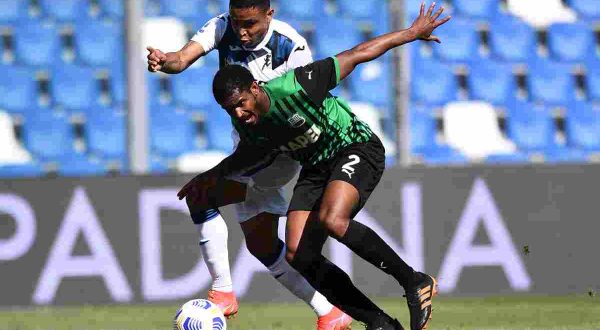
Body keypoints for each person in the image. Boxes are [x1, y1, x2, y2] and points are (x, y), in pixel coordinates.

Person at [177, 2, 451, 330]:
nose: (238, 114)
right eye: (228, 110)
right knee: (298, 254)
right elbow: (243, 158)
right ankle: (379, 323)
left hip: (354, 145)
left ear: (255, 87)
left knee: (333, 220)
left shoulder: (297, 85)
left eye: (240, 104)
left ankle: (415, 281)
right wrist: (207, 179)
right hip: (316, 166)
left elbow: (357, 54)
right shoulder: (251, 126)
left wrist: (411, 32)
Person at [146, 0, 352, 329]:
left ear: (269, 14)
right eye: (237, 23)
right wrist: (165, 60)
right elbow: (181, 58)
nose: (242, 32)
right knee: (261, 243)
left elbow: (307, 105)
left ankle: (223, 292)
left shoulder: (291, 47)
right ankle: (330, 312)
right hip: (248, 146)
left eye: (251, 24)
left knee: (202, 195)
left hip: (278, 150)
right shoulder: (222, 26)